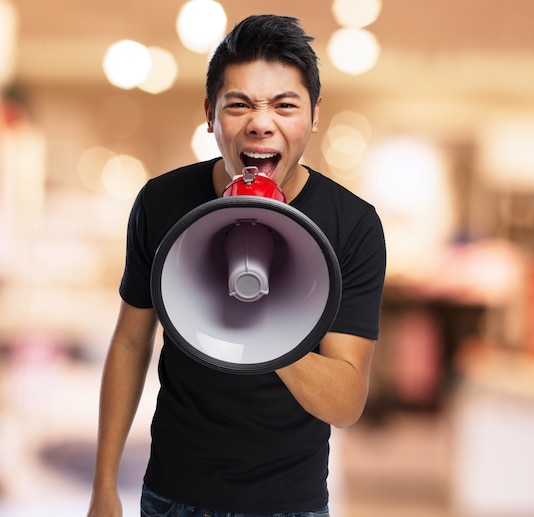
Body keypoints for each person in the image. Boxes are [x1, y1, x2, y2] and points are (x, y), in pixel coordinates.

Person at [87, 14, 386, 517]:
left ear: (314, 114)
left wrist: (267, 328)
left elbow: (346, 402)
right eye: (239, 104)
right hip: (171, 495)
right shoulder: (162, 203)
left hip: (288, 503)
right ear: (210, 114)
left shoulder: (352, 225)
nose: (260, 122)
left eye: (285, 105)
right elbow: (130, 341)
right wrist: (103, 487)